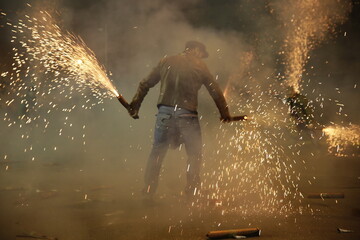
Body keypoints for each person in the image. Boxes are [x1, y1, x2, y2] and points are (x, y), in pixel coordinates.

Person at [128, 40, 231, 200]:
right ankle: (192, 192)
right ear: (195, 50)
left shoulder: (165, 61)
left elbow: (145, 84)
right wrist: (224, 113)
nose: (201, 58)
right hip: (187, 115)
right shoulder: (200, 66)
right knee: (194, 155)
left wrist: (135, 105)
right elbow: (215, 91)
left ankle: (148, 191)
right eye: (201, 54)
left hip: (164, 114)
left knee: (157, 152)